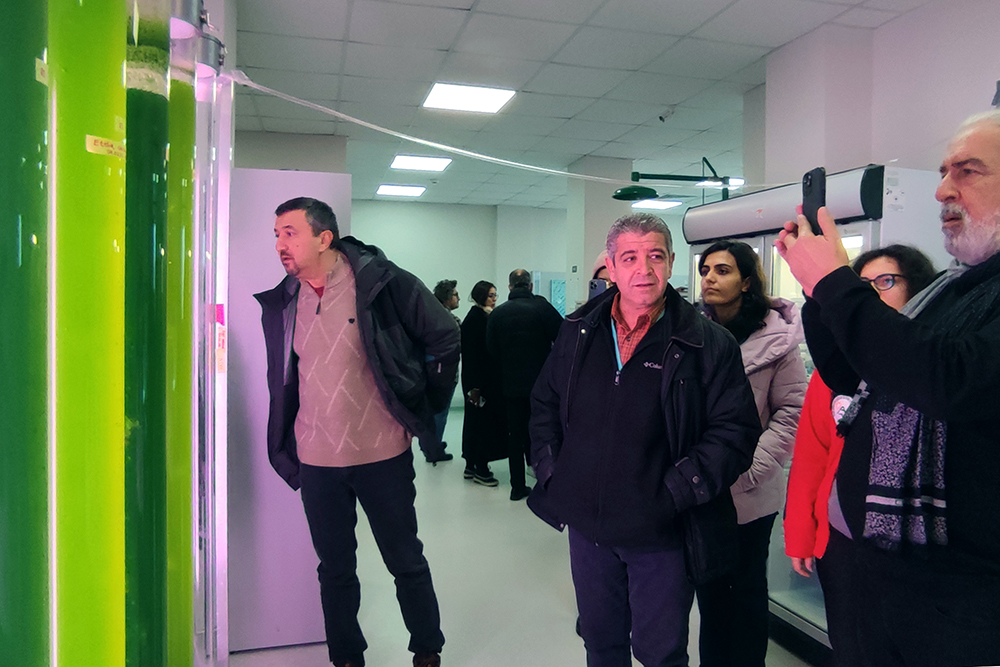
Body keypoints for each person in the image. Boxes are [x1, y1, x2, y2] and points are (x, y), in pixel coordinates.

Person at [775, 110, 1000, 667]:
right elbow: (855, 375)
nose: (943, 190)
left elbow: (949, 379)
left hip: (967, 602)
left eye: (968, 171)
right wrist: (819, 289)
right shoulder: (953, 290)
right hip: (891, 578)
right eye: (943, 172)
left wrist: (836, 283)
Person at [528, 213, 762, 667]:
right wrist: (554, 472)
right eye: (630, 258)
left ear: (671, 262)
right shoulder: (577, 331)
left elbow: (734, 433)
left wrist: (673, 493)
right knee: (601, 644)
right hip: (588, 529)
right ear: (611, 267)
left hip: (662, 532)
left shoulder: (708, 344)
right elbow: (544, 405)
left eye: (655, 256)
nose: (644, 269)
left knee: (661, 653)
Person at [254, 197, 458, 667]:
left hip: (382, 454)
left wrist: (424, 406)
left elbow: (445, 335)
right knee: (335, 569)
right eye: (277, 235)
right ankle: (346, 657)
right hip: (317, 459)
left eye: (290, 233)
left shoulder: (382, 283)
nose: (280, 244)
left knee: (405, 560)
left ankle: (427, 649)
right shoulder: (286, 300)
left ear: (324, 238)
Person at [784, 245, 937, 667]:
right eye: (862, 286)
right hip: (842, 541)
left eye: (885, 282)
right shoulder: (836, 366)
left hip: (914, 546)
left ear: (918, 290)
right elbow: (811, 455)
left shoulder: (933, 365)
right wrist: (800, 534)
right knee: (851, 648)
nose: (871, 294)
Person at [694, 240, 807, 667]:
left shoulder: (777, 339)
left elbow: (791, 413)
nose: (709, 278)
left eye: (722, 270)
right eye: (705, 270)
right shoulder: (690, 332)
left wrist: (746, 467)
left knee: (745, 593)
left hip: (751, 489)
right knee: (709, 593)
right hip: (701, 488)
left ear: (746, 281)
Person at [486, 268, 563, 501]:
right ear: (530, 286)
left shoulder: (498, 314)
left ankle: (517, 486)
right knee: (544, 432)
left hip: (511, 385)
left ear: (510, 287)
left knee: (515, 435)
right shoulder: (542, 308)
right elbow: (563, 339)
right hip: (541, 385)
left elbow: (491, 350)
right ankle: (545, 479)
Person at [460, 280, 506, 486]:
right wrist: (475, 387)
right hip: (479, 383)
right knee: (482, 425)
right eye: (490, 295)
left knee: (474, 422)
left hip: (478, 381)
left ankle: (471, 464)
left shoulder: (481, 317)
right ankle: (481, 467)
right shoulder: (476, 320)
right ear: (481, 296)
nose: (494, 299)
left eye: (495, 295)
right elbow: (475, 356)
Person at [417, 279, 461, 463]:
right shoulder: (448, 320)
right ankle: (434, 449)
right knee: (440, 412)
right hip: (443, 372)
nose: (458, 298)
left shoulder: (430, 315)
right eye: (455, 295)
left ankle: (431, 445)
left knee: (433, 412)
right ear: (447, 297)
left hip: (433, 370)